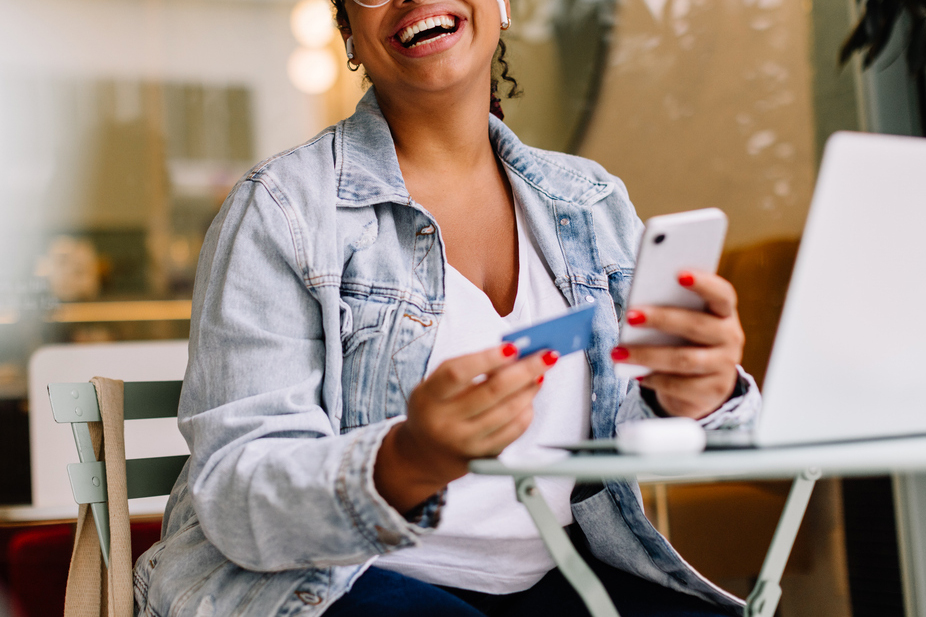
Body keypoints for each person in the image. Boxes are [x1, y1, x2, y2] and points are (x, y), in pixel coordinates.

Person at [134, 0, 761, 614]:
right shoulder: (280, 211)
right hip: (327, 584)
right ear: (348, 32)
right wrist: (408, 460)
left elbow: (633, 430)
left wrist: (691, 397)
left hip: (556, 573)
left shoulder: (590, 201)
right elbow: (239, 489)